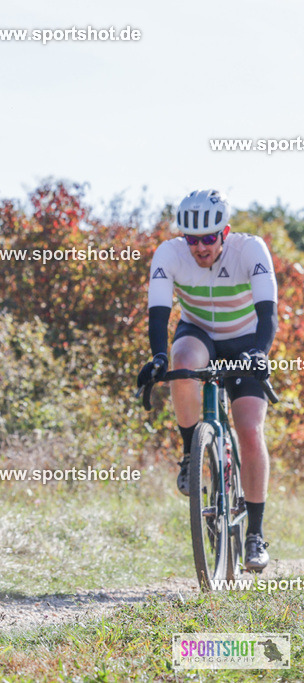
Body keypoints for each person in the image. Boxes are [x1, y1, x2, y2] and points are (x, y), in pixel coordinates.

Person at [137, 189, 277, 571]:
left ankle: (255, 535)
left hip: (246, 339)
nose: (199, 247)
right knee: (181, 365)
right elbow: (159, 311)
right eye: (192, 239)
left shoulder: (251, 250)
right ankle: (190, 453)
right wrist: (158, 357)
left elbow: (268, 312)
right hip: (198, 332)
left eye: (209, 238)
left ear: (225, 233)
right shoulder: (170, 253)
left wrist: (260, 352)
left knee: (249, 430)